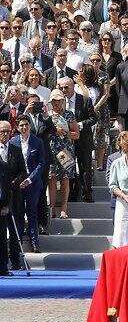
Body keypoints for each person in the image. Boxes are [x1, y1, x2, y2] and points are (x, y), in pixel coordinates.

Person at [10, 115, 44, 253]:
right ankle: (16, 244)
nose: (24, 127)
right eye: (21, 125)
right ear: (17, 128)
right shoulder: (13, 142)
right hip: (18, 183)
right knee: (18, 213)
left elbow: (41, 163)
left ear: (30, 126)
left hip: (33, 182)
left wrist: (30, 179)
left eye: (26, 125)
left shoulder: (38, 142)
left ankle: (34, 242)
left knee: (32, 212)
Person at [0, 120, 28, 275]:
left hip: (13, 194)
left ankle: (15, 262)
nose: (5, 134)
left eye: (7, 131)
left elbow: (23, 171)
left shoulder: (16, 149)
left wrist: (13, 183)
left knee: (15, 226)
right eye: (2, 131)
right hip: (0, 195)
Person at [46, 90, 77, 220]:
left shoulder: (69, 115)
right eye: (53, 100)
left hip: (65, 151)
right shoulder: (47, 115)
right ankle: (52, 208)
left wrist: (64, 132)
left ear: (63, 101)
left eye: (58, 100)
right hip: (51, 150)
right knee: (51, 179)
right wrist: (52, 132)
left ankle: (64, 209)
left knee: (65, 179)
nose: (56, 103)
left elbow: (76, 134)